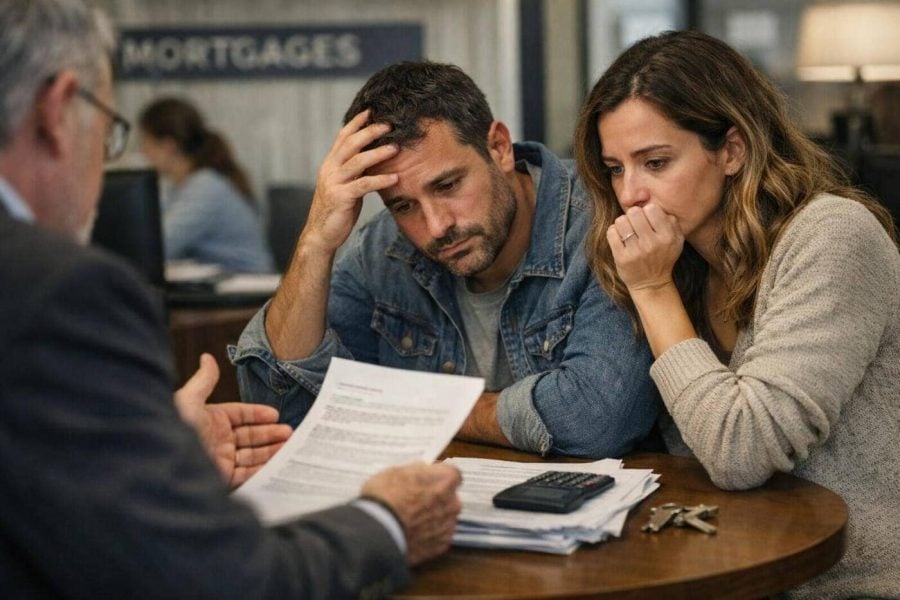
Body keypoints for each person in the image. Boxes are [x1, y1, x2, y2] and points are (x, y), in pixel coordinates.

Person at [0, 1, 462, 597]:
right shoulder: (61, 289)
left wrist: (149, 444)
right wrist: (387, 522)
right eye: (109, 134)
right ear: (59, 111)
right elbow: (224, 581)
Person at [574, 30, 899, 598]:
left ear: (732, 150)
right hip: (732, 567)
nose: (630, 195)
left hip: (852, 581)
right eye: (616, 168)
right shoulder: (683, 263)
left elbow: (740, 451)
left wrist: (651, 290)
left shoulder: (834, 237)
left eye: (655, 162)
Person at [231, 61, 659, 458]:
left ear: (499, 147)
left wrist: (413, 407)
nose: (436, 227)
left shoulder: (601, 219)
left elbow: (597, 416)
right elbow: (277, 413)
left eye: (448, 185)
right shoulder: (382, 252)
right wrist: (315, 243)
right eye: (403, 206)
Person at [139, 96, 275, 273]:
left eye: (144, 142)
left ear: (168, 146)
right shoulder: (179, 187)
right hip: (221, 285)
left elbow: (157, 248)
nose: (142, 151)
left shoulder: (205, 186)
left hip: (247, 290)